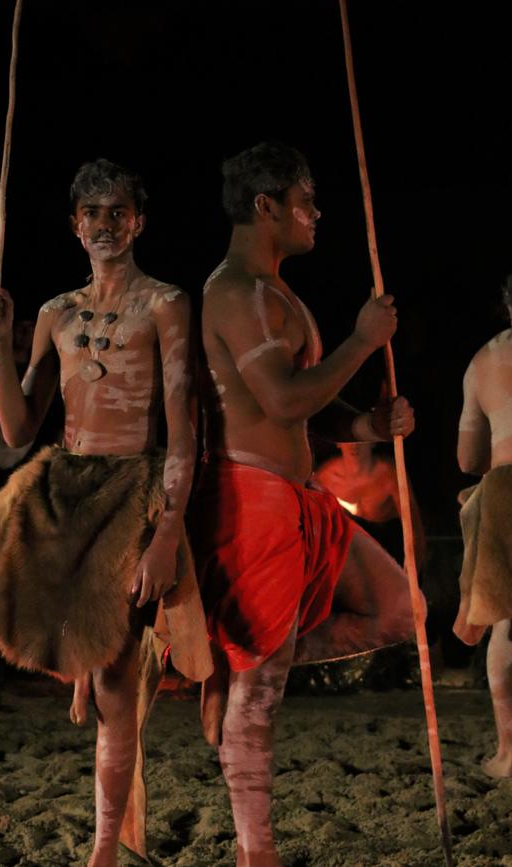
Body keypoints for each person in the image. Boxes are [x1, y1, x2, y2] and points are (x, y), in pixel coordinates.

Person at [0, 158, 211, 867]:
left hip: (130, 486)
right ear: (74, 224)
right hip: (56, 478)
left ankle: (104, 849)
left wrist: (167, 531)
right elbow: (14, 427)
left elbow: (183, 429)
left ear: (139, 221)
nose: (104, 224)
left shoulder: (166, 303)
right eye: (91, 212)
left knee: (113, 682)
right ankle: (53, 639)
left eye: (117, 211)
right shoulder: (56, 313)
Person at [190, 141, 420, 867]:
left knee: (402, 611)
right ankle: (256, 852)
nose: (316, 214)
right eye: (305, 200)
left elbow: (306, 405)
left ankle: (245, 662)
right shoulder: (232, 291)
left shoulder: (278, 292)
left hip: (306, 498)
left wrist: (366, 426)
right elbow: (282, 398)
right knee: (259, 705)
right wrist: (359, 340)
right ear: (266, 207)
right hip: (254, 498)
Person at [453, 273, 512, 778]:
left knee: (506, 626)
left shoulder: (484, 362)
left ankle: (509, 753)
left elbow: (468, 458)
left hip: (505, 489)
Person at [315, 440, 426, 570]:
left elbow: (413, 528)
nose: (354, 446)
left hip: (391, 548)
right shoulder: (325, 478)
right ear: (339, 443)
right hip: (350, 553)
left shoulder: (389, 474)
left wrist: (410, 571)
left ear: (372, 442)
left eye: (360, 440)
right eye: (348, 440)